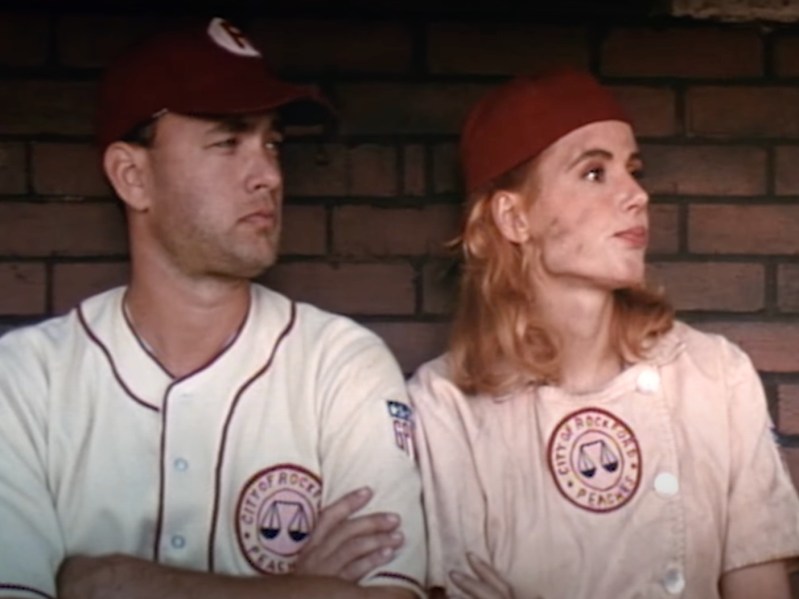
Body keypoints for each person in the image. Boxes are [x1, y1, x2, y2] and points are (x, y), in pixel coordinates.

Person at [0, 17, 425, 599]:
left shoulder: (340, 364)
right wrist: (303, 591)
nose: (269, 175)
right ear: (132, 177)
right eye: (228, 141)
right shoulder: (24, 380)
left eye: (271, 143)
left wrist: (119, 583)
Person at [408, 67, 799, 599]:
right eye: (595, 172)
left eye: (634, 170)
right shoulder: (445, 404)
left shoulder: (716, 377)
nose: (637, 195)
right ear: (514, 218)